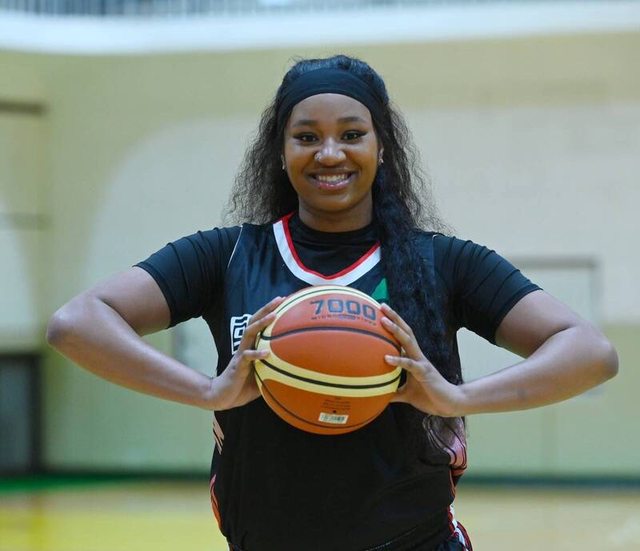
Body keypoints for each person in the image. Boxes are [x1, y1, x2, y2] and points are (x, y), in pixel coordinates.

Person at [46, 54, 618, 551]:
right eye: (306, 137)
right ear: (280, 151)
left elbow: (590, 351)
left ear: (381, 146)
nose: (328, 153)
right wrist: (208, 390)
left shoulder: (443, 262)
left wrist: (456, 397)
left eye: (351, 134)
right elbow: (76, 324)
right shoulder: (227, 255)